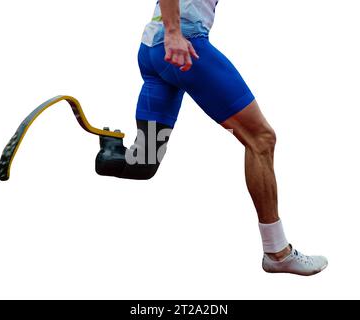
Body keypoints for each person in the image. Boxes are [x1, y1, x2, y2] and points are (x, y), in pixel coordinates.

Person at [96, 0, 328, 276]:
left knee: (144, 165)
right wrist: (173, 32)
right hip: (183, 44)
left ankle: (108, 151)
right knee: (261, 139)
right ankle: (277, 252)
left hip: (152, 51)